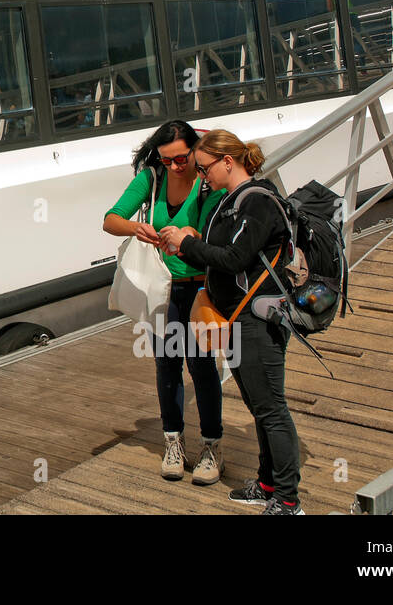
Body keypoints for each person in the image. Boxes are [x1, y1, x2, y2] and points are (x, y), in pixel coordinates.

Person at [158, 129, 304, 515]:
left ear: (228, 161)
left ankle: (288, 500)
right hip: (237, 319)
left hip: (259, 319)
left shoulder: (256, 202)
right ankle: (268, 482)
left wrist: (187, 243)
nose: (201, 175)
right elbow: (213, 257)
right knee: (259, 407)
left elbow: (235, 258)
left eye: (204, 167)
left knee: (271, 408)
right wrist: (179, 245)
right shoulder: (228, 202)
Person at [103, 120, 225, 485]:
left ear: (194, 150)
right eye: (166, 159)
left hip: (201, 286)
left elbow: (217, 235)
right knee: (167, 365)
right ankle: (173, 443)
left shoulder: (207, 183)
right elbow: (110, 219)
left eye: (181, 159)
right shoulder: (152, 178)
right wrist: (136, 228)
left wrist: (191, 235)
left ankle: (212, 447)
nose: (174, 166)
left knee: (202, 367)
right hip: (164, 288)